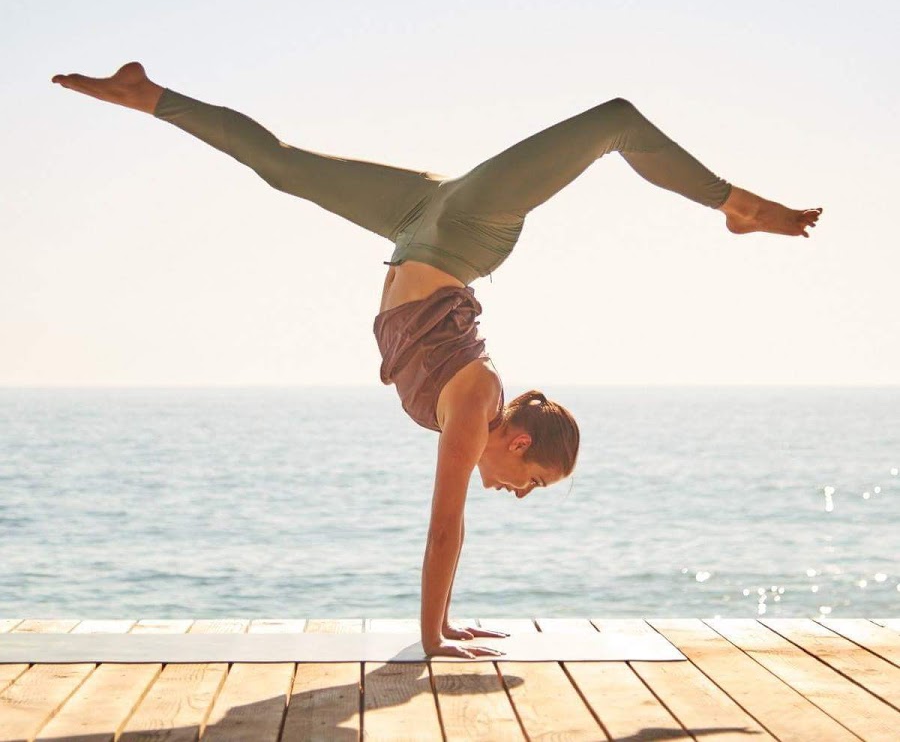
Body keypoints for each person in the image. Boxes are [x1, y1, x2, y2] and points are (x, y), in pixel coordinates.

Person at [51, 62, 822, 658]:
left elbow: (448, 524)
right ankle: (738, 206)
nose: (517, 495)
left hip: (418, 223)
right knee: (616, 120)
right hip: (465, 231)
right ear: (518, 443)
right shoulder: (476, 404)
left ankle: (147, 94)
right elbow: (444, 529)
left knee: (281, 167)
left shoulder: (474, 402)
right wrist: (433, 635)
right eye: (531, 485)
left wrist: (444, 621)